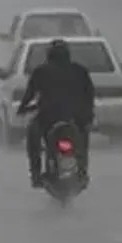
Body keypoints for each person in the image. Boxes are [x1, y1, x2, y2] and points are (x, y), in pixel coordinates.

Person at [16, 39, 95, 188]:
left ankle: (36, 174)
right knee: (83, 139)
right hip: (76, 119)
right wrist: (88, 116)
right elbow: (89, 96)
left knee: (33, 136)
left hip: (48, 118)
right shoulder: (80, 71)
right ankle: (83, 171)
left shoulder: (41, 71)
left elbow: (30, 94)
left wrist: (22, 109)